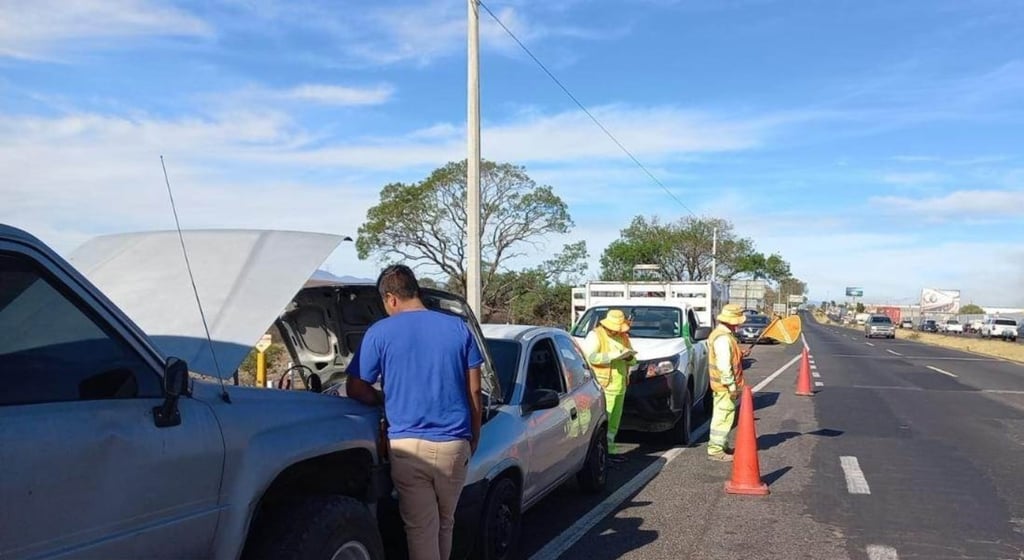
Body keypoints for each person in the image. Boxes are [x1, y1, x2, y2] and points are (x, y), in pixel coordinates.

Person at [346, 265, 483, 560]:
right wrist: (474, 435)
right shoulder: (459, 328)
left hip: (408, 447)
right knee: (445, 522)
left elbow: (355, 388)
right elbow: (474, 391)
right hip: (454, 443)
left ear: (391, 298)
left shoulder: (379, 332)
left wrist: (383, 399)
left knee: (421, 528)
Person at [582, 309, 639, 462]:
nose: (617, 331)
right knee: (603, 420)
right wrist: (613, 356)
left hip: (620, 384)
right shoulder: (595, 335)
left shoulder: (624, 337)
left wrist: (628, 357)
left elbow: (633, 360)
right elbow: (590, 357)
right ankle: (600, 452)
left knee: (615, 420)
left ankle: (610, 449)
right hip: (603, 385)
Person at [706, 303, 749, 462]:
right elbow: (724, 365)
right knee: (722, 418)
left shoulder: (720, 334)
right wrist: (732, 386)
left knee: (725, 416)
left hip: (721, 385)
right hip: (724, 386)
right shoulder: (724, 338)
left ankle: (721, 445)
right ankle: (716, 450)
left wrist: (740, 353)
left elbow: (728, 358)